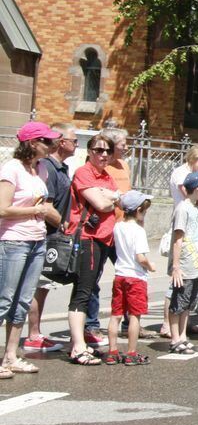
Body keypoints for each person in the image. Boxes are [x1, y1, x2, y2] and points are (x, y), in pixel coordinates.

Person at [0, 122, 62, 379]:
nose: (51, 146)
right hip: (13, 241)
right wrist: (35, 211)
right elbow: (3, 209)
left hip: (37, 240)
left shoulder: (41, 171)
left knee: (23, 302)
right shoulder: (12, 169)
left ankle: (11, 356)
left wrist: (56, 220)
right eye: (46, 142)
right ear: (31, 143)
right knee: (4, 300)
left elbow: (46, 207)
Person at [65, 134, 121, 365]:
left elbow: (115, 200)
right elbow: (101, 204)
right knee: (83, 291)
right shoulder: (83, 173)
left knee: (88, 290)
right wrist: (112, 198)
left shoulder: (107, 176)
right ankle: (78, 347)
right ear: (89, 151)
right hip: (87, 238)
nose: (104, 154)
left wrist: (111, 197)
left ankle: (79, 342)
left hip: (104, 240)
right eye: (99, 150)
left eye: (108, 150)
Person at [23, 122, 76, 353]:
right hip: (44, 233)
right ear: (61, 142)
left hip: (50, 233)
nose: (76, 144)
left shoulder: (59, 167)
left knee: (42, 286)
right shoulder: (49, 168)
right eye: (74, 140)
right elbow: (47, 205)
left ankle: (34, 333)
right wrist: (64, 225)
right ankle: (33, 335)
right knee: (37, 286)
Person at [107, 190, 155, 366]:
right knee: (135, 316)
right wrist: (151, 266)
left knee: (116, 314)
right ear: (138, 210)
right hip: (136, 277)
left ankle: (112, 352)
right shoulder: (138, 231)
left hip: (120, 275)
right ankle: (131, 353)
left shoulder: (118, 226)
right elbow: (140, 257)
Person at [167, 171, 198, 354]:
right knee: (178, 302)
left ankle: (183, 336)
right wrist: (176, 267)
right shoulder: (183, 209)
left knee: (188, 302)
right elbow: (178, 238)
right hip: (184, 265)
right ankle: (174, 339)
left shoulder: (196, 207)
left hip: (194, 265)